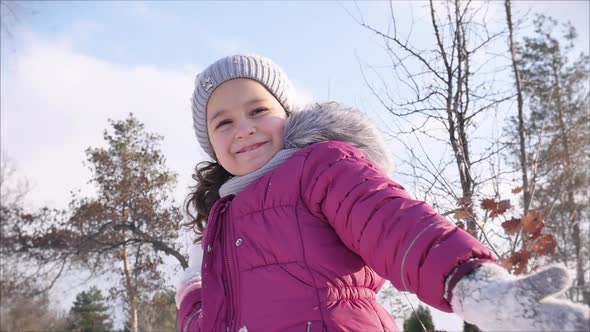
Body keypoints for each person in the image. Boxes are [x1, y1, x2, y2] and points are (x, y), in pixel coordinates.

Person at [176, 54, 589, 332]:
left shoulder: (320, 167)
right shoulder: (221, 228)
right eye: (223, 122)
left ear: (287, 113)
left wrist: (477, 289)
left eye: (257, 110)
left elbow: (393, 224)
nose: (244, 128)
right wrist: (194, 286)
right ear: (211, 143)